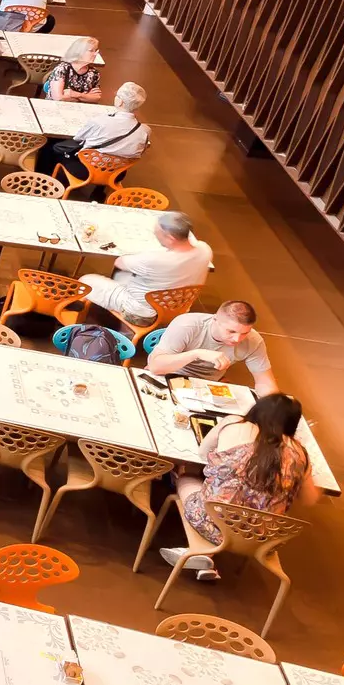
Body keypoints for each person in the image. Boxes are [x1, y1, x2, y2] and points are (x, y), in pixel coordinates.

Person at [163, 392, 313, 579]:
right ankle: (204, 557)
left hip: (212, 521)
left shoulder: (235, 423)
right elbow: (310, 498)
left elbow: (202, 454)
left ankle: (202, 552)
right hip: (259, 537)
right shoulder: (299, 453)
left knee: (186, 475)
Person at [82, 211, 212, 327]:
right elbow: (192, 241)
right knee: (123, 277)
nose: (156, 235)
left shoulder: (153, 260)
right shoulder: (205, 250)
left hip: (141, 315)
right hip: (177, 307)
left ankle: (75, 312)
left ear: (171, 238)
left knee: (86, 280)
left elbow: (120, 262)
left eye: (157, 234)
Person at [147, 302, 278, 396]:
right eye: (231, 331)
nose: (237, 339)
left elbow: (265, 382)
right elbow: (155, 366)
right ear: (215, 319)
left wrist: (272, 404)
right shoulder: (187, 325)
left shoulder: (254, 341)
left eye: (244, 333)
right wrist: (196, 354)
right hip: (167, 375)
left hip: (208, 387)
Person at [37, 80, 150, 179]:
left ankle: (44, 178)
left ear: (120, 101)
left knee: (50, 145)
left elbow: (78, 138)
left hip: (85, 169)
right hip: (117, 173)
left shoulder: (100, 121)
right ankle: (100, 191)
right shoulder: (145, 131)